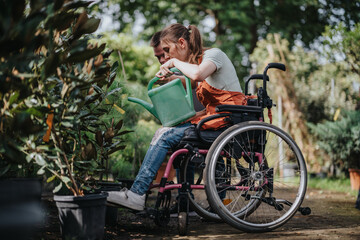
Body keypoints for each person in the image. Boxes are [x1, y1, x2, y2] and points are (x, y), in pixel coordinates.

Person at [107, 23, 248, 211]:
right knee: (165, 131)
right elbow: (197, 84)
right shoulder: (201, 62)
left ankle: (136, 194)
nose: (166, 56)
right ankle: (147, 194)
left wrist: (174, 64)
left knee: (165, 135)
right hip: (217, 119)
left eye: (167, 50)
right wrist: (173, 79)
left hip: (227, 122)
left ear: (181, 43)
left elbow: (197, 76)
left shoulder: (214, 55)